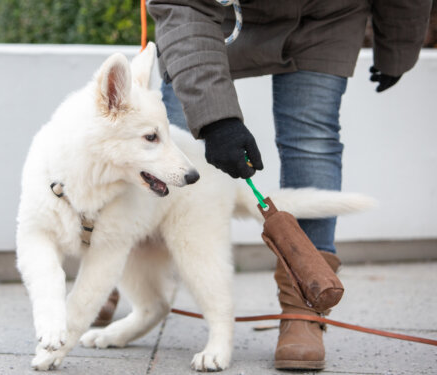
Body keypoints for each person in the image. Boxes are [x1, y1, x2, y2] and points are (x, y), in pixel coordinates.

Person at [143, 0, 431, 371]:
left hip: (329, 13)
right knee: (171, 132)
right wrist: (216, 121)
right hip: (221, 11)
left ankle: (305, 309)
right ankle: (121, 264)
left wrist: (398, 45)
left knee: (311, 138)